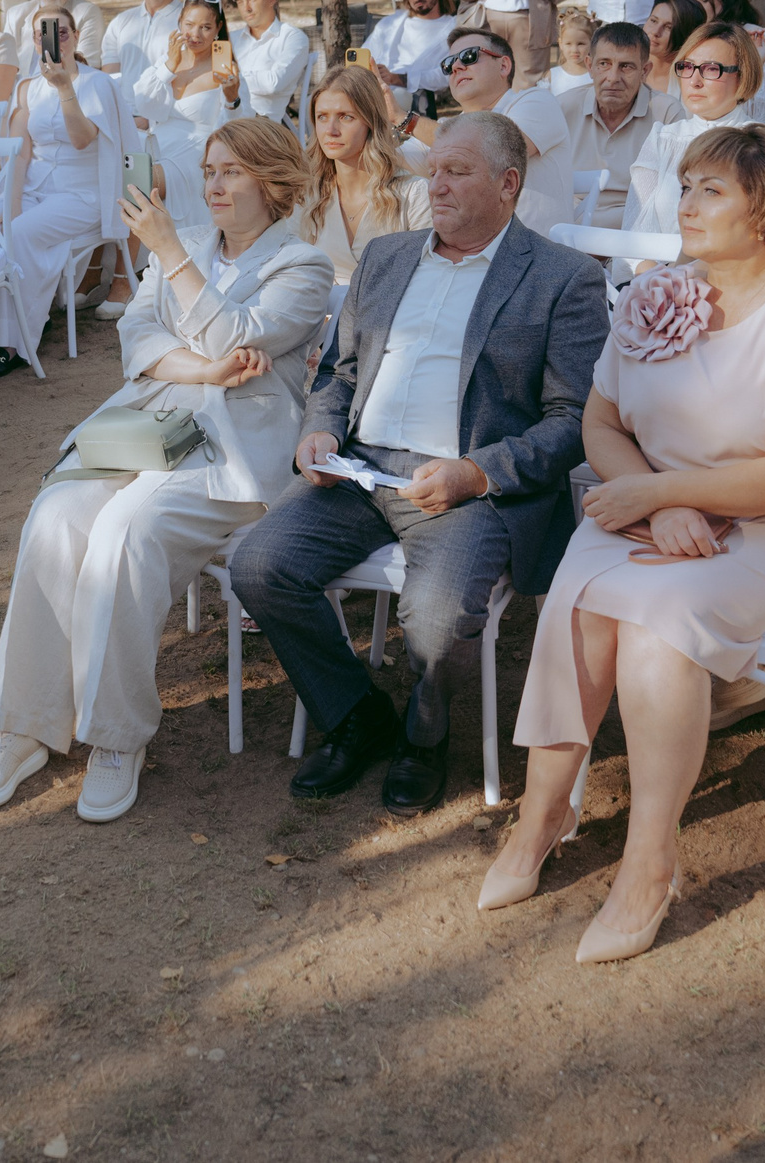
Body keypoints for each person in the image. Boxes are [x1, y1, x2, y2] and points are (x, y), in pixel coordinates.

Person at [483, 125, 765, 954]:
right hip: (655, 505)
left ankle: (649, 858)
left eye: (712, 191)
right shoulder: (657, 291)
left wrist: (663, 491)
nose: (686, 203)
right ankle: (541, 812)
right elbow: (600, 422)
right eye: (687, 185)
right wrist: (658, 505)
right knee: (577, 597)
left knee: (659, 622)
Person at [0, 120, 335, 822]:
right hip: (147, 421)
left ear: (273, 183)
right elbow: (138, 336)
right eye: (209, 168)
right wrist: (207, 366)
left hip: (232, 451)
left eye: (231, 171)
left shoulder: (302, 267)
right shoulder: (185, 246)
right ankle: (21, 726)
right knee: (56, 516)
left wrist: (171, 259)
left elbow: (242, 334)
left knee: (128, 530)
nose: (212, 183)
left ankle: (114, 736)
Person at [229, 111, 608, 813]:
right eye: (433, 169)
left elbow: (573, 423)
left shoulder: (563, 277)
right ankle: (355, 715)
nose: (435, 183)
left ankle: (423, 738)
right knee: (258, 565)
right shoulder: (386, 256)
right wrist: (319, 432)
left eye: (457, 171)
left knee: (433, 616)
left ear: (509, 183)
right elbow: (338, 374)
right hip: (361, 471)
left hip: (467, 486)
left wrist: (476, 472)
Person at [0, 9, 126, 382]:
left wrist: (64, 88)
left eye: (62, 31)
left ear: (75, 36)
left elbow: (81, 139)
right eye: (45, 32)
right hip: (34, 185)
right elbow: (21, 152)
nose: (54, 38)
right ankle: (5, 323)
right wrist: (10, 205)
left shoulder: (98, 84)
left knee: (20, 234)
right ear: (34, 40)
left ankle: (14, 343)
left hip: (83, 193)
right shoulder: (27, 87)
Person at [418, 25, 574, 233]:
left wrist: (404, 119)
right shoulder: (446, 126)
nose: (456, 67)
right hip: (473, 257)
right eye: (448, 64)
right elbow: (389, 156)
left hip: (538, 258)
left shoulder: (538, 102)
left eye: (468, 56)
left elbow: (492, 151)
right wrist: (372, 108)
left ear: (503, 66)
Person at [625, 19, 764, 240]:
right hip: (658, 270)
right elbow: (635, 228)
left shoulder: (762, 145)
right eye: (687, 67)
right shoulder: (663, 138)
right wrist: (651, 271)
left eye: (711, 69)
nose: (694, 81)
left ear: (743, 76)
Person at [297, 66, 432, 284]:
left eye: (345, 117)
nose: (330, 130)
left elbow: (428, 277)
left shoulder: (413, 193)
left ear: (371, 122)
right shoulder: (306, 195)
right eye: (322, 117)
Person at [135, 0, 243, 229]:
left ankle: (128, 264)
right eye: (189, 25)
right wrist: (168, 68)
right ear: (179, 24)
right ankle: (129, 262)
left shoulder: (225, 68)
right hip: (156, 143)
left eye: (205, 27)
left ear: (218, 29)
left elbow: (235, 128)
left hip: (196, 151)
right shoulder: (168, 59)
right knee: (121, 171)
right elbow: (144, 104)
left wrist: (231, 98)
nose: (195, 35)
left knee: (138, 183)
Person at [567, 22, 684, 228]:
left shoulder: (666, 113)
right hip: (568, 229)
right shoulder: (562, 108)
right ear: (589, 66)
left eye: (626, 66)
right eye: (604, 64)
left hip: (636, 232)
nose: (612, 78)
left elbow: (674, 194)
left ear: (645, 71)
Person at [360, 0, 456, 120]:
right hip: (373, 86)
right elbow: (364, 55)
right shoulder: (391, 23)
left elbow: (445, 76)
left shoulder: (453, 28)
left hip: (411, 94)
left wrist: (398, 78)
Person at [222, 0, 311, 127]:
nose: (246, 8)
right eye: (240, 3)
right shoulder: (231, 39)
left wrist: (232, 79)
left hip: (259, 125)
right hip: (222, 116)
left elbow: (273, 83)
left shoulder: (292, 37)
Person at [98, 0, 185, 86]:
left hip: (170, 107)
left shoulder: (190, 22)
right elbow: (110, 78)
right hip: (125, 107)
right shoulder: (120, 23)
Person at [547, 5, 596, 95]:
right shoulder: (552, 76)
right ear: (560, 43)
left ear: (592, 43)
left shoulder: (597, 75)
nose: (574, 50)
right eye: (568, 44)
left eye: (580, 44)